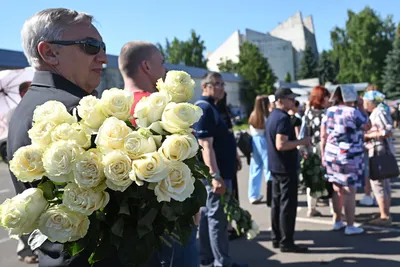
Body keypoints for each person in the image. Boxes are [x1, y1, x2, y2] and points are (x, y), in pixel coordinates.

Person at [7, 8, 112, 266]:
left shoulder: (25, 106)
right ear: (50, 52)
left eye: (102, 46)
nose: (103, 57)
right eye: (91, 46)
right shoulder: (72, 109)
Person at [118, 40, 199, 267]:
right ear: (146, 66)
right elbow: (190, 159)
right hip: (170, 223)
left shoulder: (108, 112)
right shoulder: (166, 111)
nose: (165, 71)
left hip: (128, 228)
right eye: (162, 63)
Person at [193, 72, 247, 267]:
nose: (221, 88)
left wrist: (234, 157)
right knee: (218, 220)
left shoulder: (213, 108)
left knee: (209, 217)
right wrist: (215, 176)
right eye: (217, 84)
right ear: (205, 86)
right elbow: (205, 146)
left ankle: (208, 259)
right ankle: (222, 262)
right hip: (217, 175)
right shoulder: (204, 109)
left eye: (222, 84)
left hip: (221, 172)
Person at [320, 86, 371, 236]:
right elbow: (367, 126)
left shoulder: (328, 111)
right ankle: (350, 225)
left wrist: (323, 154)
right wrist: (361, 106)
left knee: (337, 189)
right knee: (350, 191)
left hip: (331, 155)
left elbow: (323, 136)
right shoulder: (353, 112)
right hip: (350, 156)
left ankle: (337, 221)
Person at [265, 87, 311, 253]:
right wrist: (302, 141)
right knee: (287, 206)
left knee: (277, 205)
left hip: (276, 167)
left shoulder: (273, 116)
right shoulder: (283, 119)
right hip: (285, 168)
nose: (293, 102)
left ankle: (277, 238)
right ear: (281, 100)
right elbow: (281, 144)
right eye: (290, 99)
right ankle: (286, 241)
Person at [299, 86, 332, 217]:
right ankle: (335, 210)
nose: (329, 99)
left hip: (311, 149)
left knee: (312, 178)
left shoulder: (308, 113)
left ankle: (311, 208)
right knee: (328, 178)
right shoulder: (328, 113)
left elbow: (303, 132)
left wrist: (302, 148)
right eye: (326, 96)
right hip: (325, 149)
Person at [363, 90, 394, 226]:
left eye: (365, 101)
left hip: (378, 150)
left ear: (371, 102)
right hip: (381, 149)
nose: (363, 103)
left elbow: (386, 131)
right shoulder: (381, 111)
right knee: (384, 183)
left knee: (379, 184)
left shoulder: (378, 112)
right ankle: (385, 212)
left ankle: (384, 216)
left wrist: (368, 135)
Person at [247, 95, 270, 204]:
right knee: (268, 167)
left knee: (255, 168)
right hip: (263, 141)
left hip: (254, 140)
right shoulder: (264, 116)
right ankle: (271, 193)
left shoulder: (253, 115)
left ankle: (253, 195)